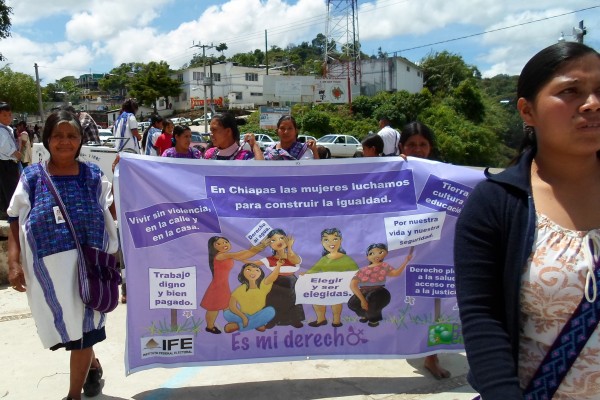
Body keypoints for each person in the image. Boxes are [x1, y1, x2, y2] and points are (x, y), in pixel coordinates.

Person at [454, 42, 600, 400]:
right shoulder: (495, 205)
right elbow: (482, 320)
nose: (593, 103)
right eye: (571, 91)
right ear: (527, 111)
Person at [6, 110, 119, 400]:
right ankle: (92, 366)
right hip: (50, 273)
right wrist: (14, 261)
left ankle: (73, 396)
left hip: (91, 267)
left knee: (83, 330)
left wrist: (125, 177)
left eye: (72, 136)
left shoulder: (94, 176)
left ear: (81, 140)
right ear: (47, 139)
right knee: (72, 330)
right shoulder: (32, 177)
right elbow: (16, 218)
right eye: (58, 136)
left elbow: (113, 211)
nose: (65, 142)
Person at [400, 120, 449, 379]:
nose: (418, 149)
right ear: (401, 147)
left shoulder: (443, 173)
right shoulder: (391, 171)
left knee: (436, 304)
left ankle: (432, 356)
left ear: (430, 147)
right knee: (404, 303)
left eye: (423, 144)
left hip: (434, 250)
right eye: (412, 144)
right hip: (401, 252)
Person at [200, 236, 269, 334]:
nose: (223, 245)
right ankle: (210, 327)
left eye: (225, 242)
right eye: (218, 244)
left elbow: (244, 255)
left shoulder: (227, 255)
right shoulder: (220, 256)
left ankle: (239, 323)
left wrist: (259, 247)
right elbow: (240, 254)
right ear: (213, 247)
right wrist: (260, 246)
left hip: (223, 285)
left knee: (227, 307)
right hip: (217, 287)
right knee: (213, 308)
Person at [247, 228, 305, 329]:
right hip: (276, 281)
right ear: (269, 244)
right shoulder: (269, 259)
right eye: (273, 240)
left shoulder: (293, 256)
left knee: (294, 299)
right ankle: (272, 320)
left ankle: (295, 320)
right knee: (273, 300)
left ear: (287, 240)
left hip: (292, 281)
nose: (278, 241)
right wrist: (257, 248)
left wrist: (290, 247)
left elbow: (292, 258)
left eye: (281, 238)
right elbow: (248, 263)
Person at [303, 228, 359, 327]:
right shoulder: (324, 259)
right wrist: (305, 275)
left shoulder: (346, 258)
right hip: (323, 286)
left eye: (335, 239)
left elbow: (356, 271)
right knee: (316, 300)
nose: (331, 242)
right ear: (322, 242)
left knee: (336, 302)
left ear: (341, 240)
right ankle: (321, 319)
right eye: (326, 240)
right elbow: (314, 269)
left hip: (339, 286)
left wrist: (353, 279)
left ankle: (336, 321)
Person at [348, 244, 412, 327]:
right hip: (364, 291)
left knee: (372, 301)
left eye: (380, 252)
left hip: (379, 291)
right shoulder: (363, 270)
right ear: (367, 257)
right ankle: (365, 315)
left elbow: (396, 273)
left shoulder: (384, 266)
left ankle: (374, 320)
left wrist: (406, 261)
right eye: (371, 253)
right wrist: (362, 300)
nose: (376, 255)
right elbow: (353, 285)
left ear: (385, 254)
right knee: (352, 303)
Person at [223, 261, 282, 333]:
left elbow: (273, 276)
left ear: (260, 274)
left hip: (260, 313)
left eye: (257, 270)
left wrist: (278, 265)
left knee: (270, 311)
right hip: (244, 315)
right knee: (227, 313)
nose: (252, 272)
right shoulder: (240, 289)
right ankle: (257, 323)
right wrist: (243, 317)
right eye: (248, 270)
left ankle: (239, 326)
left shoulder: (263, 284)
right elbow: (232, 306)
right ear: (243, 273)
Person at [0, 102, 21, 220]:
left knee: (7, 187)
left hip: (10, 163)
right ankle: (11, 213)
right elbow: (3, 146)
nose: (8, 118)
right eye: (4, 115)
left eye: (9, 115)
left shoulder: (7, 128)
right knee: (10, 188)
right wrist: (15, 153)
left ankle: (6, 211)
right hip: (6, 163)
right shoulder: (1, 130)